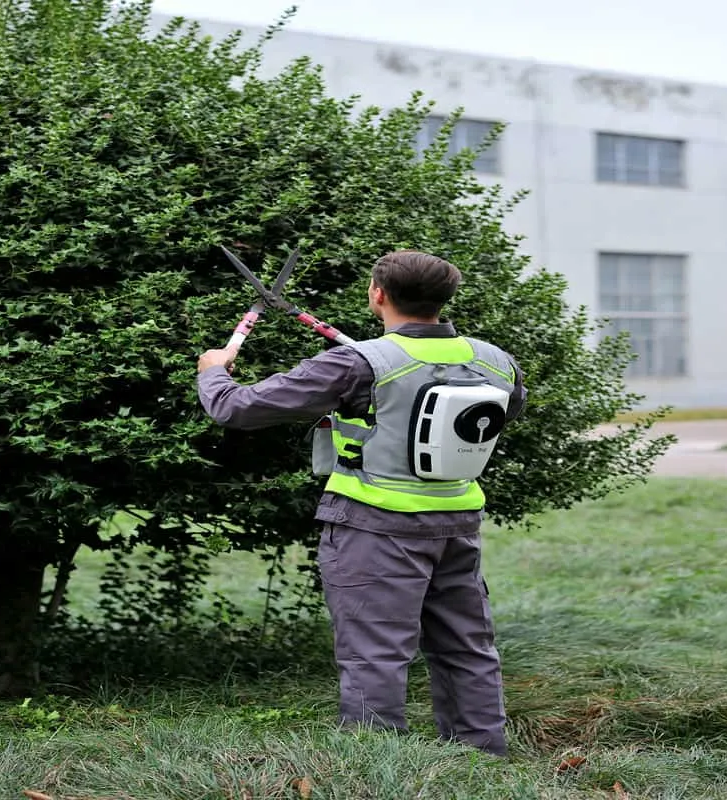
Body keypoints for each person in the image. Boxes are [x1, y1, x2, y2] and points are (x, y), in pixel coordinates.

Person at [197, 250, 526, 756]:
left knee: (375, 656)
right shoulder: (496, 361)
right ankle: (481, 763)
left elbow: (236, 408)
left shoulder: (357, 363)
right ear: (444, 298)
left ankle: (379, 769)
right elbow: (506, 410)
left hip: (374, 528)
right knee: (468, 649)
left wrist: (214, 370)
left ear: (378, 294)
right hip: (456, 524)